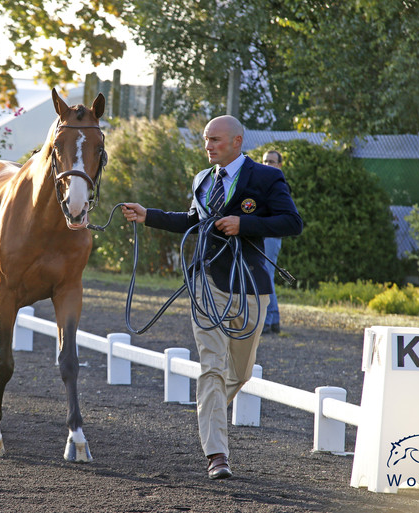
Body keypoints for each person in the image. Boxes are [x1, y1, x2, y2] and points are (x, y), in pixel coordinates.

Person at [121, 115, 302, 480]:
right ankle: (217, 454)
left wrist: (245, 224)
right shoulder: (203, 180)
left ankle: (210, 408)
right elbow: (193, 219)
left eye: (215, 140)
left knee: (239, 372)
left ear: (237, 141)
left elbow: (291, 222)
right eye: (206, 140)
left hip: (250, 286)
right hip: (206, 284)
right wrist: (149, 216)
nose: (208, 146)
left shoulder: (266, 178)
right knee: (212, 367)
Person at [261, 150, 283, 335]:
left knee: (265, 277)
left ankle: (267, 322)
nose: (268, 164)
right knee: (268, 277)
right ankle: (274, 320)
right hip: (264, 235)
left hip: (270, 236)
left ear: (279, 165)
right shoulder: (264, 181)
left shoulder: (277, 184)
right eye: (265, 161)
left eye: (272, 161)